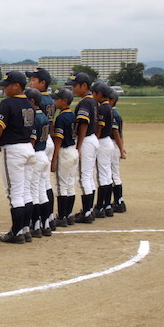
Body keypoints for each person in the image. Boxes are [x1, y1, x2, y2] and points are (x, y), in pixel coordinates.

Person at [0, 71, 36, 244]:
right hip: (28, 148)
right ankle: (25, 229)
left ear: (17, 85)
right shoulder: (30, 103)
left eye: (7, 85)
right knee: (26, 191)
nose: (4, 89)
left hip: (13, 149)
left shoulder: (8, 103)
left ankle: (17, 232)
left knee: (14, 192)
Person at [65, 72, 99, 223]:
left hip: (85, 140)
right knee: (89, 176)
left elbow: (83, 124)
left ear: (84, 86)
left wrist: (78, 147)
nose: (72, 89)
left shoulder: (85, 102)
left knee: (83, 177)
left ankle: (86, 212)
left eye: (75, 86)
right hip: (92, 140)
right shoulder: (92, 101)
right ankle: (89, 210)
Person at [26, 68, 56, 228]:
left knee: (37, 184)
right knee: (45, 183)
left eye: (33, 80)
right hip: (47, 138)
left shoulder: (39, 101)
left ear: (43, 83)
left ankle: (37, 221)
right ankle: (48, 218)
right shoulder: (50, 99)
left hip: (39, 141)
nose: (30, 83)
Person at [24, 87, 52, 237]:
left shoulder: (33, 116)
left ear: (32, 101)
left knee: (33, 192)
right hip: (44, 155)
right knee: (42, 192)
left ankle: (35, 225)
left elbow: (32, 139)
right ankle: (45, 224)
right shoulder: (44, 116)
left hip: (36, 155)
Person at [50, 87, 78, 227]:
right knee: (69, 184)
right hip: (74, 150)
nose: (55, 101)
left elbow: (58, 139)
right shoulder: (73, 115)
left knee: (61, 185)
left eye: (57, 99)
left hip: (65, 151)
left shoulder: (61, 117)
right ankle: (68, 215)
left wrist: (54, 158)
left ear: (64, 101)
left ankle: (61, 216)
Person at [91, 81, 114, 218]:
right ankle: (107, 205)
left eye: (94, 93)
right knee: (106, 174)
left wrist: (96, 141)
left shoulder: (102, 109)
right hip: (108, 141)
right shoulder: (108, 107)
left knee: (103, 175)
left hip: (103, 141)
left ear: (99, 94)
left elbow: (99, 127)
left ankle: (101, 206)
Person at [108, 89, 127, 213]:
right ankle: (117, 200)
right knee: (111, 174)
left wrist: (121, 149)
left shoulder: (113, 114)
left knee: (114, 174)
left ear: (112, 101)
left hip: (113, 144)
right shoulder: (116, 113)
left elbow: (116, 132)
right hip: (115, 144)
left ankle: (119, 201)